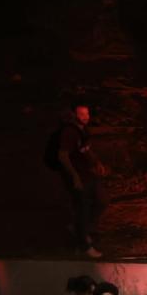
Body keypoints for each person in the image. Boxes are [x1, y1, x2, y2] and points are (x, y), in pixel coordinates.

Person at [50, 101, 104, 256]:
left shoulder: (84, 130)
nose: (85, 117)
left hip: (89, 173)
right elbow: (62, 155)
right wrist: (74, 176)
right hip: (79, 176)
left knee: (102, 200)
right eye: (81, 114)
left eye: (87, 113)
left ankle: (80, 228)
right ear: (74, 115)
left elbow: (85, 149)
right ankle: (85, 245)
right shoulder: (69, 132)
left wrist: (97, 162)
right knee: (83, 208)